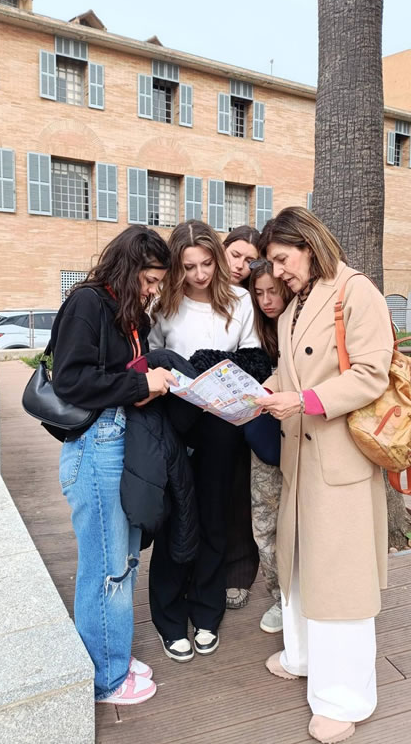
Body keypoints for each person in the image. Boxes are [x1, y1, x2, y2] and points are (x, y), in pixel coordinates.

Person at [255, 206, 393, 744]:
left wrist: (304, 400)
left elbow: (372, 373)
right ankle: (304, 655)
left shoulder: (356, 292)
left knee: (339, 580)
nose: (277, 272)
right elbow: (291, 371)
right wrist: (262, 391)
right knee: (299, 566)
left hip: (338, 458)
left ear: (309, 246)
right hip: (301, 457)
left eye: (282, 259)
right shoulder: (295, 305)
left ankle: (345, 698)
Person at [50, 226, 177, 705]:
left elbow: (114, 372)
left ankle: (111, 655)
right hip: (94, 446)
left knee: (121, 561)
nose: (153, 290)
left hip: (117, 441)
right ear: (128, 269)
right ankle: (106, 678)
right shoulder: (88, 303)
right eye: (149, 279)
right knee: (106, 568)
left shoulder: (124, 310)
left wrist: (148, 378)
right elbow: (71, 381)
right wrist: (142, 386)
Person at [149, 220, 260, 661]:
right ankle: (169, 616)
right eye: (189, 266)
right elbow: (152, 360)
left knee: (215, 516)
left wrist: (215, 368)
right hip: (175, 422)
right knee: (175, 516)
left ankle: (207, 611)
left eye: (207, 264)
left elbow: (254, 358)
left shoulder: (240, 300)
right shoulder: (164, 303)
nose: (199, 274)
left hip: (223, 423)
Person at [247, 259, 293, 634]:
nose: (266, 300)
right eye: (259, 293)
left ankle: (301, 599)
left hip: (304, 433)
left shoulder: (301, 322)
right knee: (264, 522)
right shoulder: (255, 329)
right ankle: (279, 597)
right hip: (263, 439)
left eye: (272, 292)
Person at [222, 225, 261, 610]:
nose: (240, 265)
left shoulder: (251, 299)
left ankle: (239, 571)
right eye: (235, 255)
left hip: (239, 406)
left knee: (238, 492)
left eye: (250, 260)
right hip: (185, 407)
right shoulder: (188, 289)